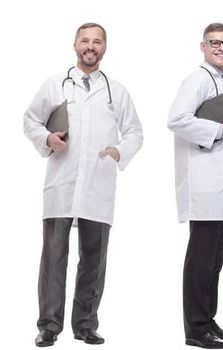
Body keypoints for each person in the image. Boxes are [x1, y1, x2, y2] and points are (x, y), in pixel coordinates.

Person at [23, 22, 145, 348]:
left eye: (97, 42)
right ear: (75, 45)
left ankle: (86, 324)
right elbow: (30, 120)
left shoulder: (116, 91)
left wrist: (120, 150)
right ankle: (49, 325)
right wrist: (46, 138)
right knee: (53, 259)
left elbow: (135, 131)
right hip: (61, 185)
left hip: (98, 186)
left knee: (93, 259)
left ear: (104, 48)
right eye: (85, 41)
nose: (91, 46)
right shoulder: (55, 85)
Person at [167, 22, 223, 349]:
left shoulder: (222, 80)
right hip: (204, 187)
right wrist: (219, 131)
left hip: (222, 187)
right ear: (202, 46)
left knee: (215, 261)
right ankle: (196, 329)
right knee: (201, 261)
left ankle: (208, 320)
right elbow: (176, 119)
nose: (221, 48)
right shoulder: (198, 79)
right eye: (215, 43)